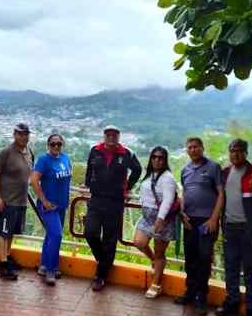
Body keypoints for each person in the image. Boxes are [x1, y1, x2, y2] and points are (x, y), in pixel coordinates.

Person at [215, 138, 252, 316]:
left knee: (250, 270)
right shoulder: (224, 173)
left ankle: (251, 309)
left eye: (239, 151)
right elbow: (219, 199)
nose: (235, 154)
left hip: (250, 229)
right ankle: (231, 302)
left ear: (246, 153)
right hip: (230, 227)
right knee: (230, 267)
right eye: (232, 151)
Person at [83, 125, 142, 292]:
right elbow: (89, 169)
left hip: (115, 201)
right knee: (90, 232)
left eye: (114, 135)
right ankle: (104, 262)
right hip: (96, 199)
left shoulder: (126, 153)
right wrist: (88, 184)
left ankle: (101, 276)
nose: (111, 138)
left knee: (110, 238)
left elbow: (137, 170)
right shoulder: (95, 150)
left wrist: (128, 187)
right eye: (108, 135)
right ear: (104, 136)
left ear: (118, 137)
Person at [174, 136, 224, 316]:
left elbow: (221, 194)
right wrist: (183, 213)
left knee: (204, 258)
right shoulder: (185, 170)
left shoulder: (213, 167)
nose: (193, 150)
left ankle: (201, 297)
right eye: (189, 148)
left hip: (206, 222)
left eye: (196, 147)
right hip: (189, 221)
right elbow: (185, 193)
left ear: (202, 148)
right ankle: (190, 292)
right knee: (191, 257)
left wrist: (214, 219)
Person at [133, 146, 177, 299]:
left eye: (161, 158)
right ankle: (154, 263)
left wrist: (160, 218)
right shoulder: (150, 174)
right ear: (151, 159)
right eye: (154, 157)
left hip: (161, 219)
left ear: (165, 160)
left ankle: (156, 284)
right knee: (139, 242)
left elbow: (168, 199)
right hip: (146, 217)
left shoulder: (167, 177)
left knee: (159, 252)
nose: (157, 160)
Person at [0, 123, 34, 280]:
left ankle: (7, 257)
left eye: (26, 134)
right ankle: (3, 264)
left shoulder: (29, 152)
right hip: (7, 200)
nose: (24, 137)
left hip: (21, 200)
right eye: (20, 134)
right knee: (3, 232)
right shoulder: (6, 152)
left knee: (11, 232)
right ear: (14, 134)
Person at [30, 133, 72, 286]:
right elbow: (33, 180)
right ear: (48, 145)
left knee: (50, 235)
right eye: (53, 144)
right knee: (56, 235)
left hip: (61, 205)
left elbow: (67, 179)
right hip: (49, 206)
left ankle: (44, 264)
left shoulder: (65, 158)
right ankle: (51, 269)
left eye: (59, 144)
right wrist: (44, 200)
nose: (56, 147)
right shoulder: (43, 160)